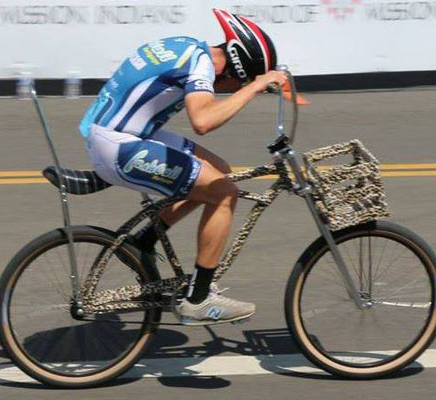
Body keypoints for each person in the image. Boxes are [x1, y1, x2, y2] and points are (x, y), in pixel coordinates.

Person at [79, 9, 287, 325]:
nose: (229, 90)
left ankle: (144, 242)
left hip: (115, 133)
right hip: (119, 146)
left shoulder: (189, 46)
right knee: (224, 194)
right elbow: (202, 121)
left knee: (219, 169)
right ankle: (199, 300)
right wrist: (254, 88)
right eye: (235, 83)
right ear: (233, 68)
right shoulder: (200, 63)